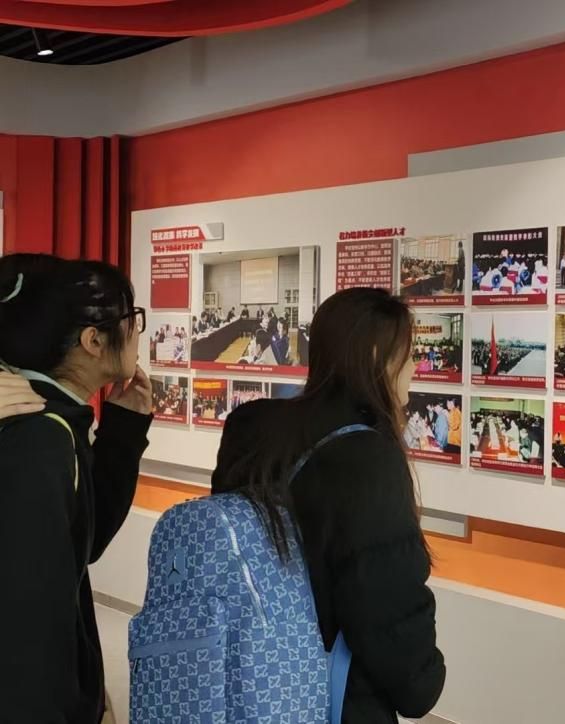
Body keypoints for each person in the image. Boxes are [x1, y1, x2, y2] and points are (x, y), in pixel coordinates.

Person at [210, 287, 445, 723]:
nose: (415, 368)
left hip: (250, 684)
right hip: (333, 699)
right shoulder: (367, 457)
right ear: (377, 356)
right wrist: (424, 679)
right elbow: (384, 602)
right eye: (409, 354)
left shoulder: (251, 430)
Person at [0, 254, 153, 723]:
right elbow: (29, 624)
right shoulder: (39, 434)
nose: (138, 332)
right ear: (93, 340)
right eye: (131, 318)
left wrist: (124, 429)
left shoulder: (56, 421)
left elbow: (82, 542)